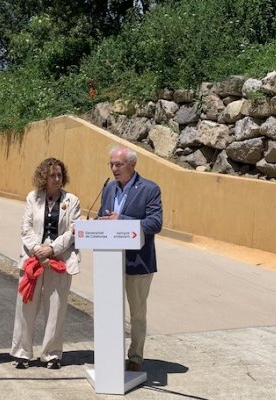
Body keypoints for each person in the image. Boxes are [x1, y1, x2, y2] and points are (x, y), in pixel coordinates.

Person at [10, 158, 81, 370]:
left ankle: (52, 354)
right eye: (52, 175)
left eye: (59, 175)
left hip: (59, 258)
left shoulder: (72, 200)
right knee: (26, 305)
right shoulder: (33, 198)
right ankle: (22, 353)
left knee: (56, 308)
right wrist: (37, 250)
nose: (56, 179)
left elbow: (73, 231)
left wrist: (51, 249)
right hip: (33, 258)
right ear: (44, 177)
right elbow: (26, 228)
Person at [97, 146, 162, 372]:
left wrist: (122, 220)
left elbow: (155, 223)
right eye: (111, 164)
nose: (114, 169)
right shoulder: (109, 188)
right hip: (110, 261)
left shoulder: (149, 189)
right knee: (110, 310)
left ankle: (135, 357)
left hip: (138, 261)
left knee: (137, 313)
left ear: (132, 165)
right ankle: (111, 355)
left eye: (119, 164)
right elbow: (103, 216)